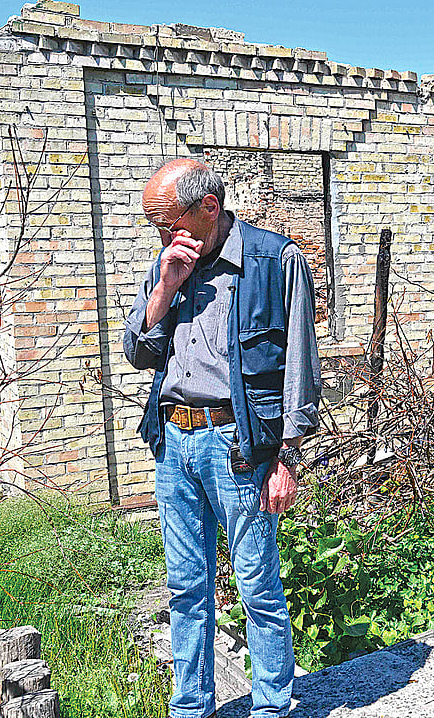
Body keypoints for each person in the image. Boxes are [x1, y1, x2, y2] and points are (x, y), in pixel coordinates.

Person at [123, 159, 321, 718]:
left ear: (209, 207)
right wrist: (165, 287)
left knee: (257, 586)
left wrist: (287, 457)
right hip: (173, 443)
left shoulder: (275, 260)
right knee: (185, 589)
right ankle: (191, 708)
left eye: (168, 222)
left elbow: (300, 368)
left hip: (239, 445)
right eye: (155, 226)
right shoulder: (167, 264)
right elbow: (138, 352)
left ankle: (271, 707)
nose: (163, 235)